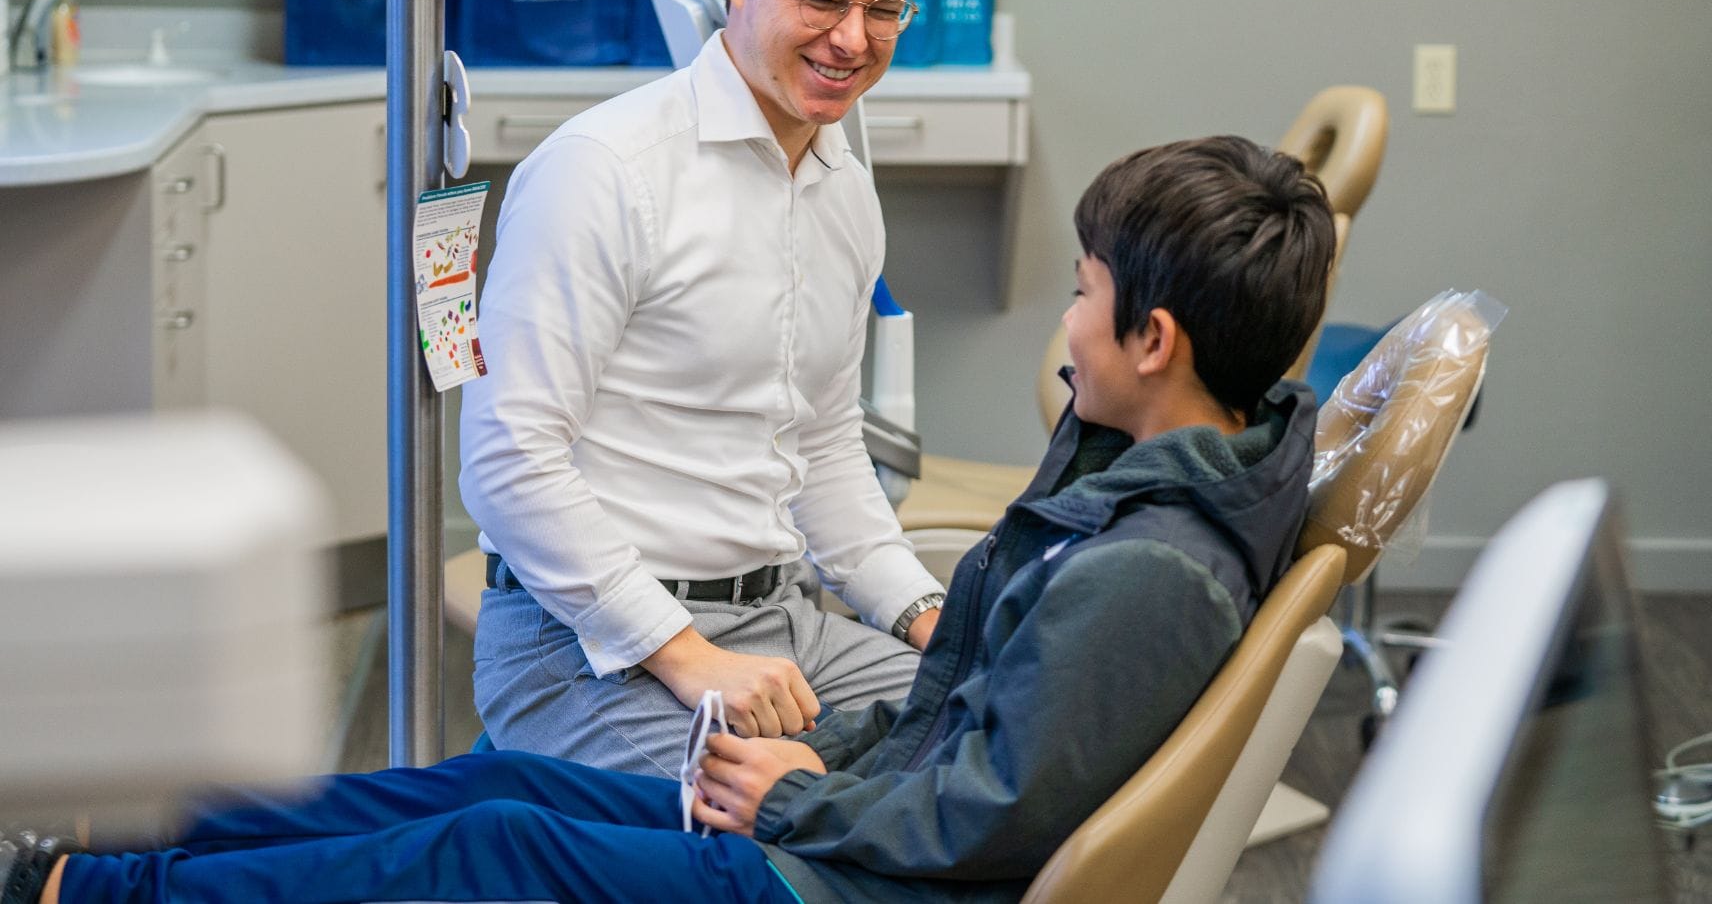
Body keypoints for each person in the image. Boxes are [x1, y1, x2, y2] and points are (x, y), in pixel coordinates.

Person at [11, 135, 1337, 904]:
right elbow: (965, 734)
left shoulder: (1148, 567)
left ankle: (103, 895)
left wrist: (805, 798)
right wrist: (822, 753)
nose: (1065, 315)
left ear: (1152, 337)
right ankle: (110, 864)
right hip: (858, 826)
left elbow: (993, 818)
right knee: (501, 781)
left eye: (1082, 291)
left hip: (851, 885)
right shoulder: (1158, 474)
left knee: (495, 849)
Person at [457, 0, 948, 775]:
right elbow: (505, 459)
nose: (853, 39)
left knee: (1005, 745)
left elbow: (828, 450)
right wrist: (686, 657)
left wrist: (931, 619)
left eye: (883, 10)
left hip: (779, 625)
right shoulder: (603, 171)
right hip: (580, 650)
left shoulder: (842, 189)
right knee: (800, 820)